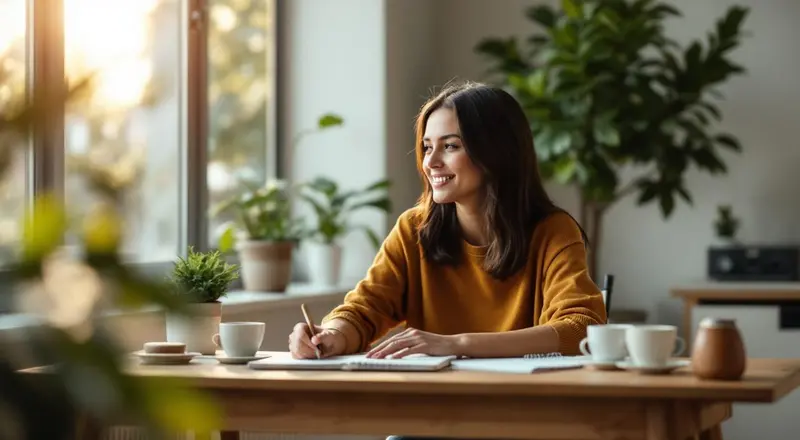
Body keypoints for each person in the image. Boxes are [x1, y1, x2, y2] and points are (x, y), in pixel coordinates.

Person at [288, 80, 606, 364]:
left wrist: (456, 344)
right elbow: (364, 309)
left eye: (450, 146)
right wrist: (331, 335)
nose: (431, 161)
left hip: (521, 412)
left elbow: (581, 327)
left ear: (496, 153)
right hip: (432, 409)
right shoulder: (413, 229)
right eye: (427, 147)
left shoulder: (553, 231)